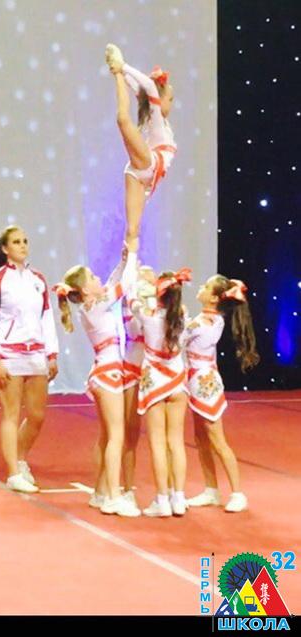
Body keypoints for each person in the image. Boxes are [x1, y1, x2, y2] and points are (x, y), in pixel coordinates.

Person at [54, 239, 140, 518]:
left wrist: (123, 261)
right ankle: (114, 496)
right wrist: (132, 256)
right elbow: (123, 286)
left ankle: (100, 491)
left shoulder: (91, 305)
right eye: (92, 277)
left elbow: (113, 282)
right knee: (116, 435)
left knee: (106, 435)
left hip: (103, 371)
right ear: (84, 290)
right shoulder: (96, 306)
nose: (97, 278)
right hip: (109, 373)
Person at [0, 226, 59, 493]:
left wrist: (52, 353)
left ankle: (21, 457)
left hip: (36, 353)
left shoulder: (38, 279)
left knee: (37, 415)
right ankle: (13, 473)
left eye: (25, 241)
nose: (23, 246)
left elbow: (47, 317)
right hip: (9, 354)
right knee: (11, 414)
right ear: (5, 249)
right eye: (16, 242)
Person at [186, 277, 259, 513]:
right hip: (197, 379)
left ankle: (238, 493)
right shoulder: (209, 319)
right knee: (200, 438)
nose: (200, 288)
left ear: (214, 298)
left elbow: (176, 339)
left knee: (217, 440)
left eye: (205, 287)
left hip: (204, 383)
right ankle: (211, 489)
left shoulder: (203, 323)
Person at [131, 268, 191, 517]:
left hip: (155, 382)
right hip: (177, 382)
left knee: (157, 442)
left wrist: (140, 281)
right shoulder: (183, 316)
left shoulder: (148, 315)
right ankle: (179, 498)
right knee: (176, 441)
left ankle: (162, 500)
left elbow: (132, 300)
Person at [104, 43, 177, 245]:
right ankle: (117, 71)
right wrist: (123, 67)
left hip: (141, 176)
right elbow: (148, 88)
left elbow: (141, 90)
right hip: (148, 162)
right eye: (170, 99)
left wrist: (122, 71)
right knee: (123, 120)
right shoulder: (156, 118)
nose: (171, 104)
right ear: (160, 100)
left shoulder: (159, 121)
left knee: (132, 229)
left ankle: (128, 263)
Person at [121, 264, 156, 510]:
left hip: (157, 370)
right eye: (142, 273)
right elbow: (135, 329)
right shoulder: (130, 305)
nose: (147, 275)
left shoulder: (163, 305)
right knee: (129, 431)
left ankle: (168, 493)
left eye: (150, 273)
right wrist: (139, 303)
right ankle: (127, 488)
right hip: (133, 365)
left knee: (161, 435)